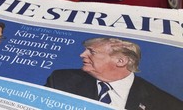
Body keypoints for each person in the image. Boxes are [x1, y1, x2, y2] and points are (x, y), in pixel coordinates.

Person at [45, 37, 183, 110]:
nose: (82, 55)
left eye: (91, 52)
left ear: (121, 61)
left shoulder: (167, 104)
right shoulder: (61, 79)